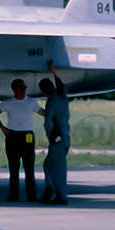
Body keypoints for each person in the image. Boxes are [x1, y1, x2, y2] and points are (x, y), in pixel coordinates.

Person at [0, 78, 39, 202]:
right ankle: (14, 195)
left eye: (24, 87)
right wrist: (3, 128)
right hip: (13, 135)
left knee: (29, 168)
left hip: (27, 136)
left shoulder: (31, 102)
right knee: (14, 168)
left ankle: (31, 195)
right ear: (15, 89)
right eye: (21, 88)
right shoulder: (8, 103)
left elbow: (42, 112)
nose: (24, 90)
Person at [37, 60, 70, 205]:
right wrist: (53, 70)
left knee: (57, 168)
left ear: (43, 92)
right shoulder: (63, 97)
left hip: (57, 138)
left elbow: (48, 122)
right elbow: (62, 85)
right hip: (65, 137)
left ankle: (61, 196)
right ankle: (49, 190)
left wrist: (50, 135)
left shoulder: (50, 103)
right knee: (49, 165)